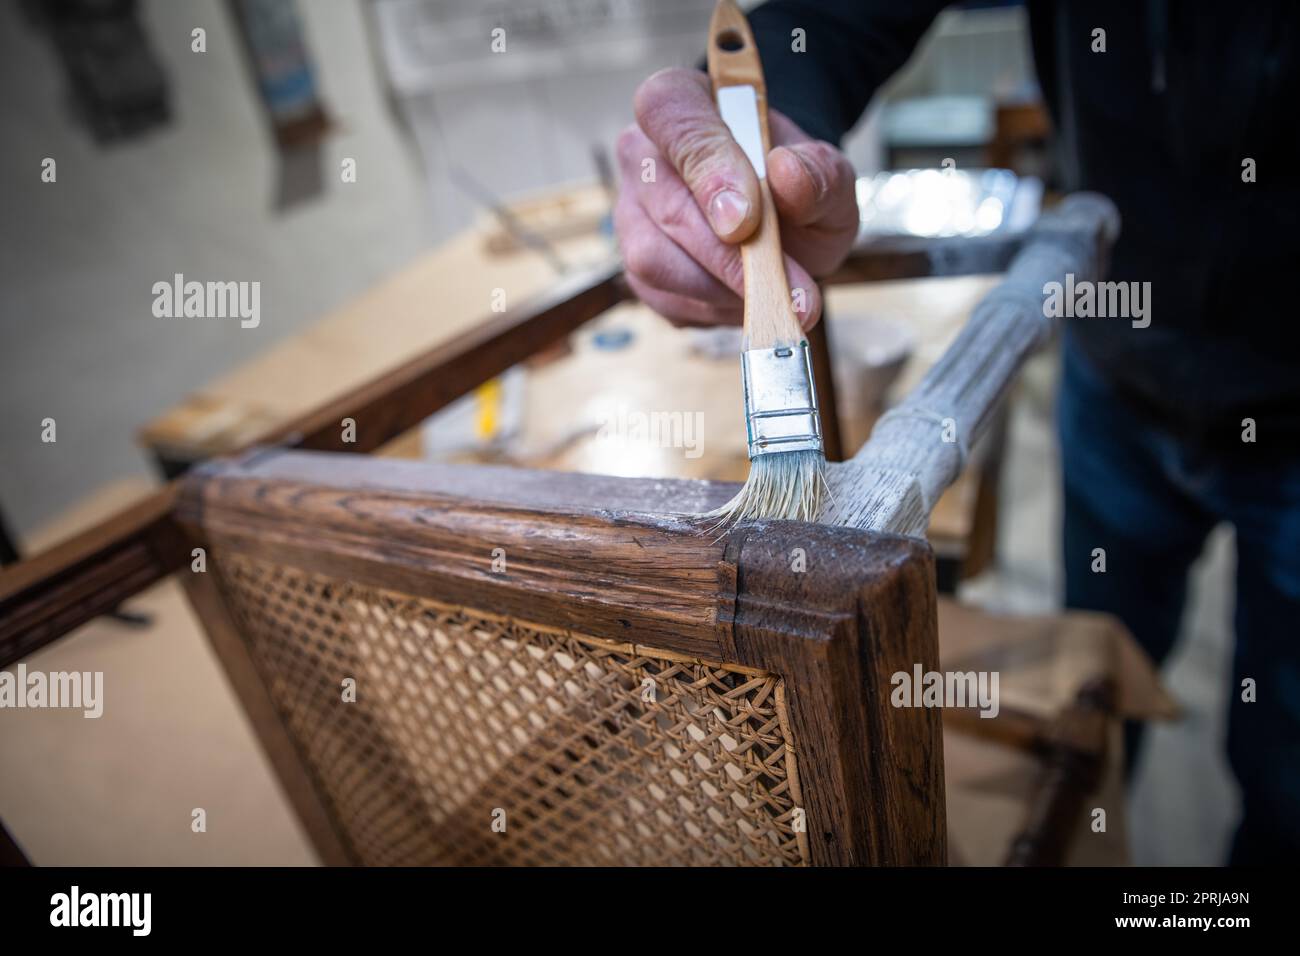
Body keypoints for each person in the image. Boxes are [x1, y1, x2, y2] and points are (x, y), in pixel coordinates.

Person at [613, 0, 1300, 865]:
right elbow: (839, 17)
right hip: (1117, 380)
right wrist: (747, 120)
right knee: (1096, 659)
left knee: (1287, 761)